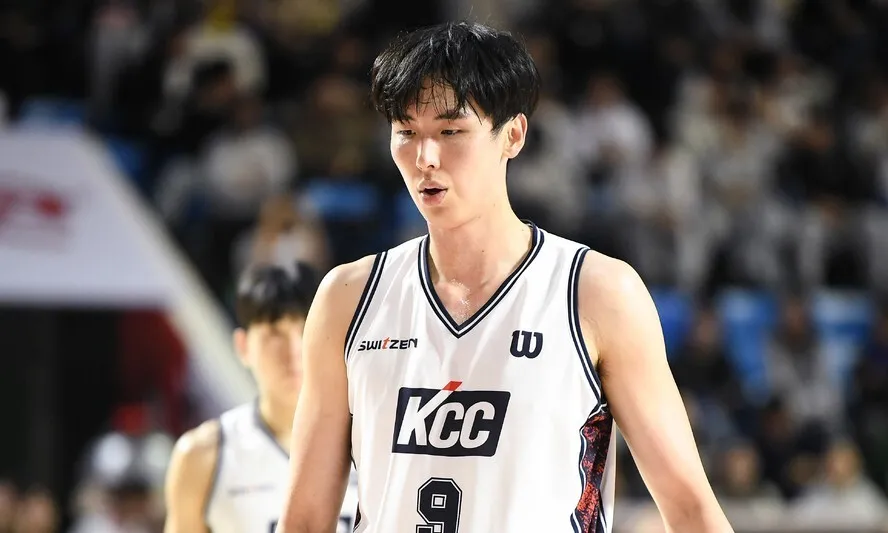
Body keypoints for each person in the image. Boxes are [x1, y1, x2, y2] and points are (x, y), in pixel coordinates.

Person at [277, 21, 733, 533]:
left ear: (512, 135)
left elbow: (691, 510)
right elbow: (306, 520)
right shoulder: (347, 297)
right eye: (406, 132)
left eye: (450, 131)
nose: (426, 157)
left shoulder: (596, 293)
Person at [164, 262, 358, 533]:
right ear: (243, 346)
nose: (293, 351)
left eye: (305, 330)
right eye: (274, 333)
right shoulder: (203, 455)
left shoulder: (368, 441)